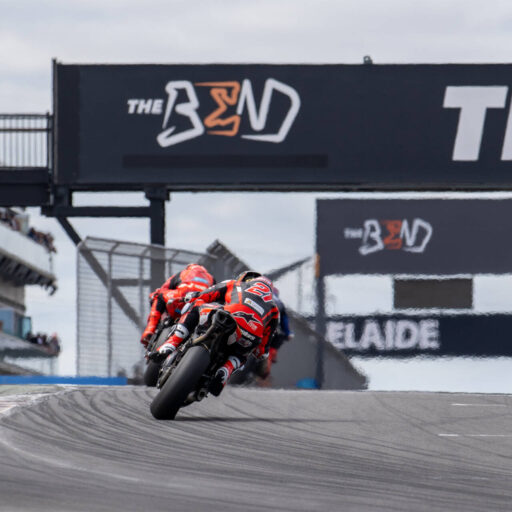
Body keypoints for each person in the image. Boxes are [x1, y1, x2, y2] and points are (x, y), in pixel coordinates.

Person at [152, 271, 280, 395]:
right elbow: (264, 347)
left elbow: (208, 294)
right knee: (242, 354)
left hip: (227, 314)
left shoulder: (235, 283)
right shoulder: (274, 310)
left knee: (196, 305)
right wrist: (260, 352)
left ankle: (172, 342)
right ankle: (226, 370)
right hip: (250, 334)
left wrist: (193, 296)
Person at [140, 263, 215, 347]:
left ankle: (150, 329)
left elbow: (164, 288)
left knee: (159, 295)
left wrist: (153, 295)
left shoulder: (182, 273)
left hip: (180, 298)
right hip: (200, 304)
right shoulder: (211, 278)